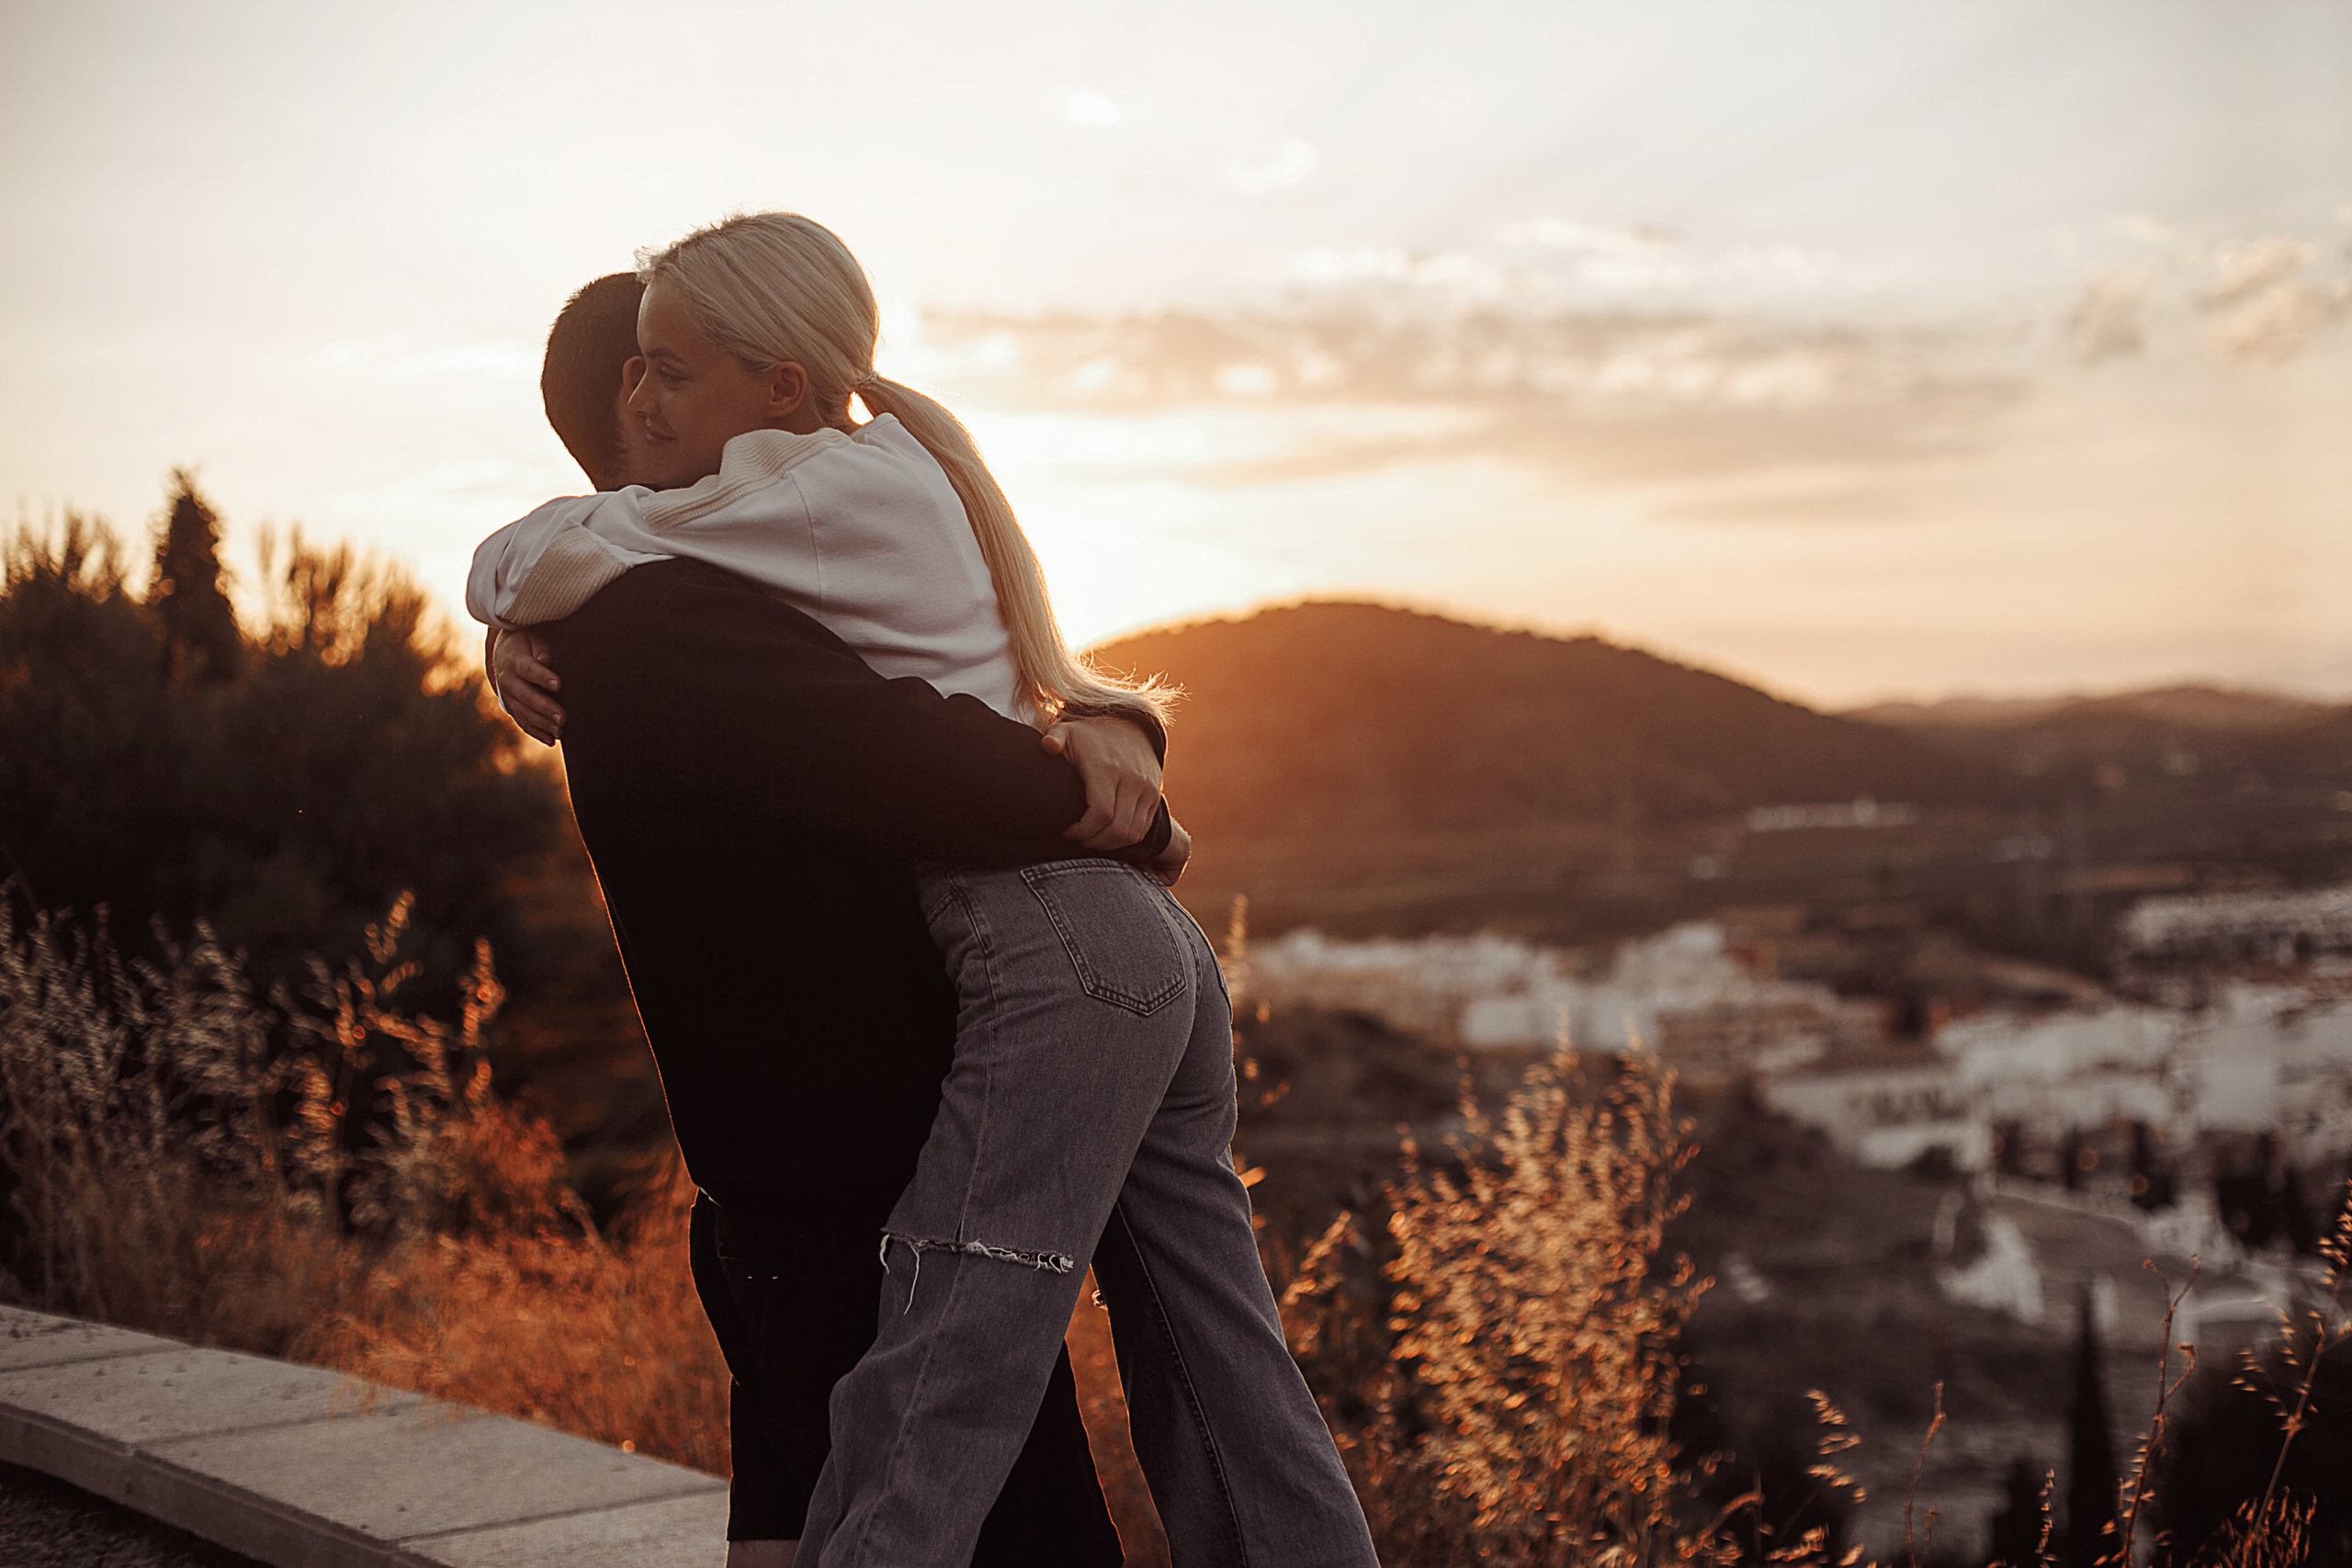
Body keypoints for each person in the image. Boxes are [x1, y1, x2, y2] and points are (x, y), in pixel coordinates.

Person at [480, 214, 1378, 1568]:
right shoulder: (884, 469)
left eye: (673, 368)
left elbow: (898, 744)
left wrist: (504, 609)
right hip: (1134, 954)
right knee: (1217, 1367)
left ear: (772, 384)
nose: (652, 399)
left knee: (949, 1377)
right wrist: (1115, 740)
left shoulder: (692, 576)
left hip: (1043, 946)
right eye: (644, 372)